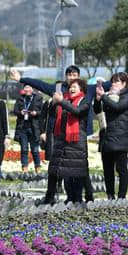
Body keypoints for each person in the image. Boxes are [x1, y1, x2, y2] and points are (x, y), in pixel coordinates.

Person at [11, 65, 113, 202]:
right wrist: (21, 79)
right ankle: (56, 197)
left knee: (79, 170)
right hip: (60, 135)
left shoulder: (87, 90)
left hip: (77, 136)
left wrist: (125, 79)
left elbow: (105, 85)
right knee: (59, 168)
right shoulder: (59, 89)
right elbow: (40, 84)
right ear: (66, 76)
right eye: (69, 75)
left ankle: (85, 196)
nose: (72, 78)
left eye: (74, 75)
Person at [38, 78, 90, 205]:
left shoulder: (84, 101)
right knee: (55, 170)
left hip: (76, 142)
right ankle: (50, 197)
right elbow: (53, 115)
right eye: (70, 87)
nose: (71, 89)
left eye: (75, 87)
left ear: (81, 89)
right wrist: (55, 103)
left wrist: (61, 101)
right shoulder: (65, 100)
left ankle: (76, 198)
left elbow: (77, 111)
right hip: (62, 141)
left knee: (75, 172)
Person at [94, 72, 128, 199]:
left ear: (124, 84)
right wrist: (98, 99)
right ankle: (110, 195)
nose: (113, 84)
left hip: (119, 138)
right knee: (107, 170)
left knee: (121, 170)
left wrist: (104, 97)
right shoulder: (109, 96)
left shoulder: (126, 96)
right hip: (106, 138)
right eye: (112, 81)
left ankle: (121, 197)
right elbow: (97, 110)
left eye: (116, 81)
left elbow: (117, 107)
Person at [13, 84, 43, 173]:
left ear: (32, 89)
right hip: (22, 128)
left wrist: (36, 113)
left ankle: (37, 166)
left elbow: (42, 112)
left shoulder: (38, 98)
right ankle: (24, 167)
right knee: (24, 149)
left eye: (29, 87)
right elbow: (15, 111)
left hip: (34, 128)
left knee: (35, 149)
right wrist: (20, 112)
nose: (27, 89)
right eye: (25, 87)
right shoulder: (20, 98)